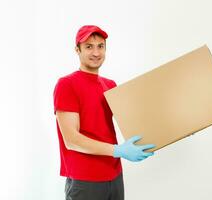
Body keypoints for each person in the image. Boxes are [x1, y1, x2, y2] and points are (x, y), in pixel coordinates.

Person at [53, 25, 156, 200]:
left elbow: (136, 118)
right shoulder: (67, 84)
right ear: (77, 50)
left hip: (114, 175)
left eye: (100, 46)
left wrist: (175, 128)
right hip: (85, 180)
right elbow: (71, 139)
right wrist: (118, 150)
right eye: (89, 47)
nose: (96, 52)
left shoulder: (110, 85)